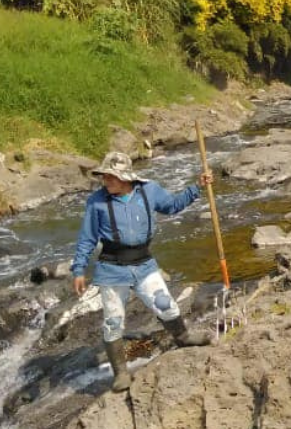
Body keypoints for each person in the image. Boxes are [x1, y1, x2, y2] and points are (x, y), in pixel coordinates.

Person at [71, 151, 213, 392]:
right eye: (104, 176)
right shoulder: (96, 202)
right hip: (111, 269)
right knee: (113, 321)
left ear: (125, 177)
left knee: (166, 306)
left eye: (110, 176)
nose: (105, 180)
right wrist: (79, 269)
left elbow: (172, 206)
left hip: (144, 264)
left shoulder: (150, 190)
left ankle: (183, 337)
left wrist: (197, 187)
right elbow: (87, 238)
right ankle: (121, 373)